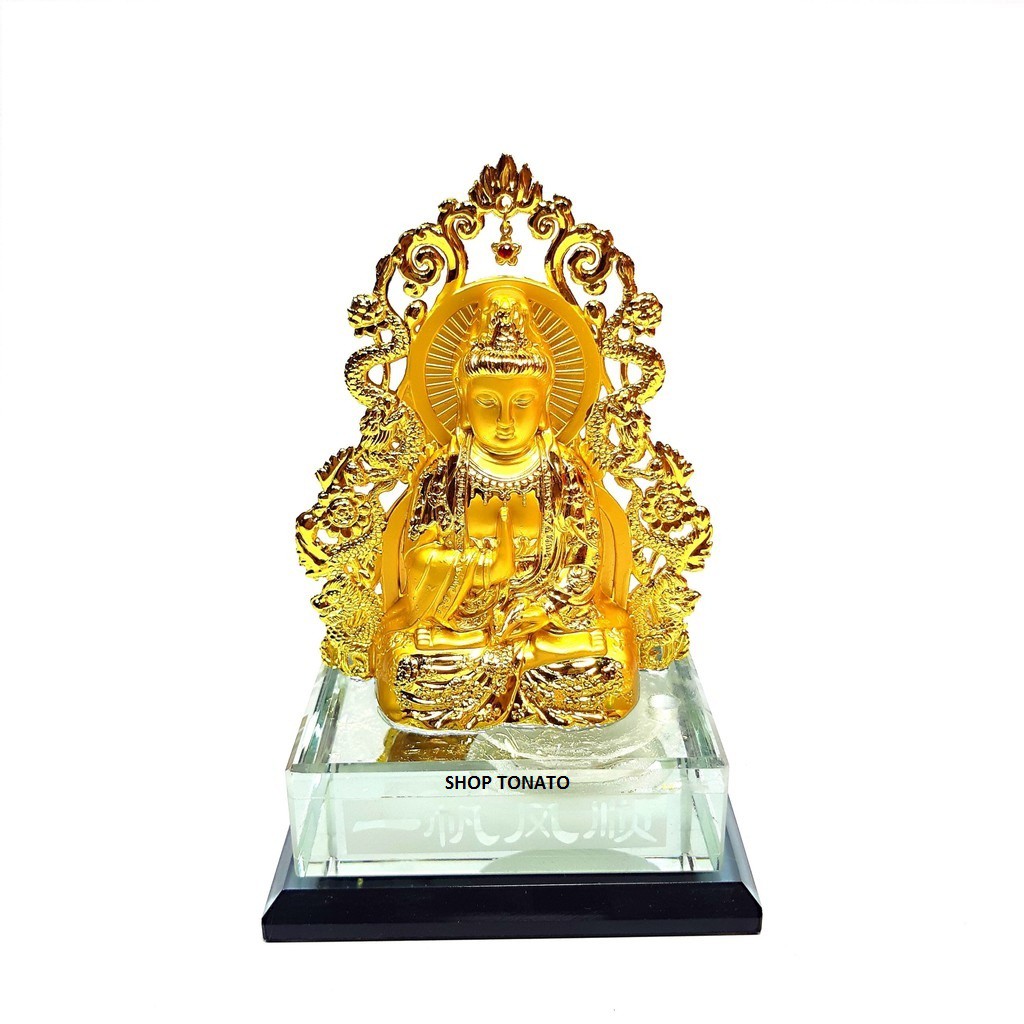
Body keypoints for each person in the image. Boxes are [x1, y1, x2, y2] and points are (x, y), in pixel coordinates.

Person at [374, 286, 637, 729]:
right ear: (463, 397)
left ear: (544, 399)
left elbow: (585, 560)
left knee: (613, 660)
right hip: (461, 622)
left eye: (522, 402)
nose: (505, 421)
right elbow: (416, 558)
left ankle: (522, 655)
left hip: (548, 621)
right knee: (403, 666)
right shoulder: (444, 473)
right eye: (487, 402)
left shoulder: (564, 472)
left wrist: (544, 608)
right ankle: (516, 658)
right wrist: (482, 570)